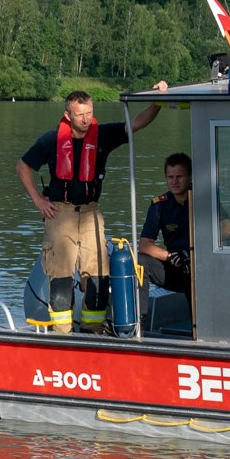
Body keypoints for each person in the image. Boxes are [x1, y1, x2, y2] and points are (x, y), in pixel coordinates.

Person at [17, 83, 170, 331]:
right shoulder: (51, 139)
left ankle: (93, 329)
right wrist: (38, 200)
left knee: (98, 273)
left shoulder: (102, 136)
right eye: (80, 114)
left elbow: (137, 124)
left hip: (90, 213)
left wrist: (158, 101)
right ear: (68, 115)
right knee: (62, 275)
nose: (86, 119)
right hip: (60, 212)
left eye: (89, 112)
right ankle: (62, 333)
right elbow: (22, 167)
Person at [137, 152, 230, 305]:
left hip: (202, 266)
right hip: (176, 266)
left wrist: (196, 253)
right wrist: (170, 256)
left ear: (190, 177)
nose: (174, 181)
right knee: (140, 261)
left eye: (179, 176)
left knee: (197, 315)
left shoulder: (203, 200)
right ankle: (140, 322)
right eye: (170, 177)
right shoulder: (159, 205)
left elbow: (227, 229)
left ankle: (198, 326)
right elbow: (144, 245)